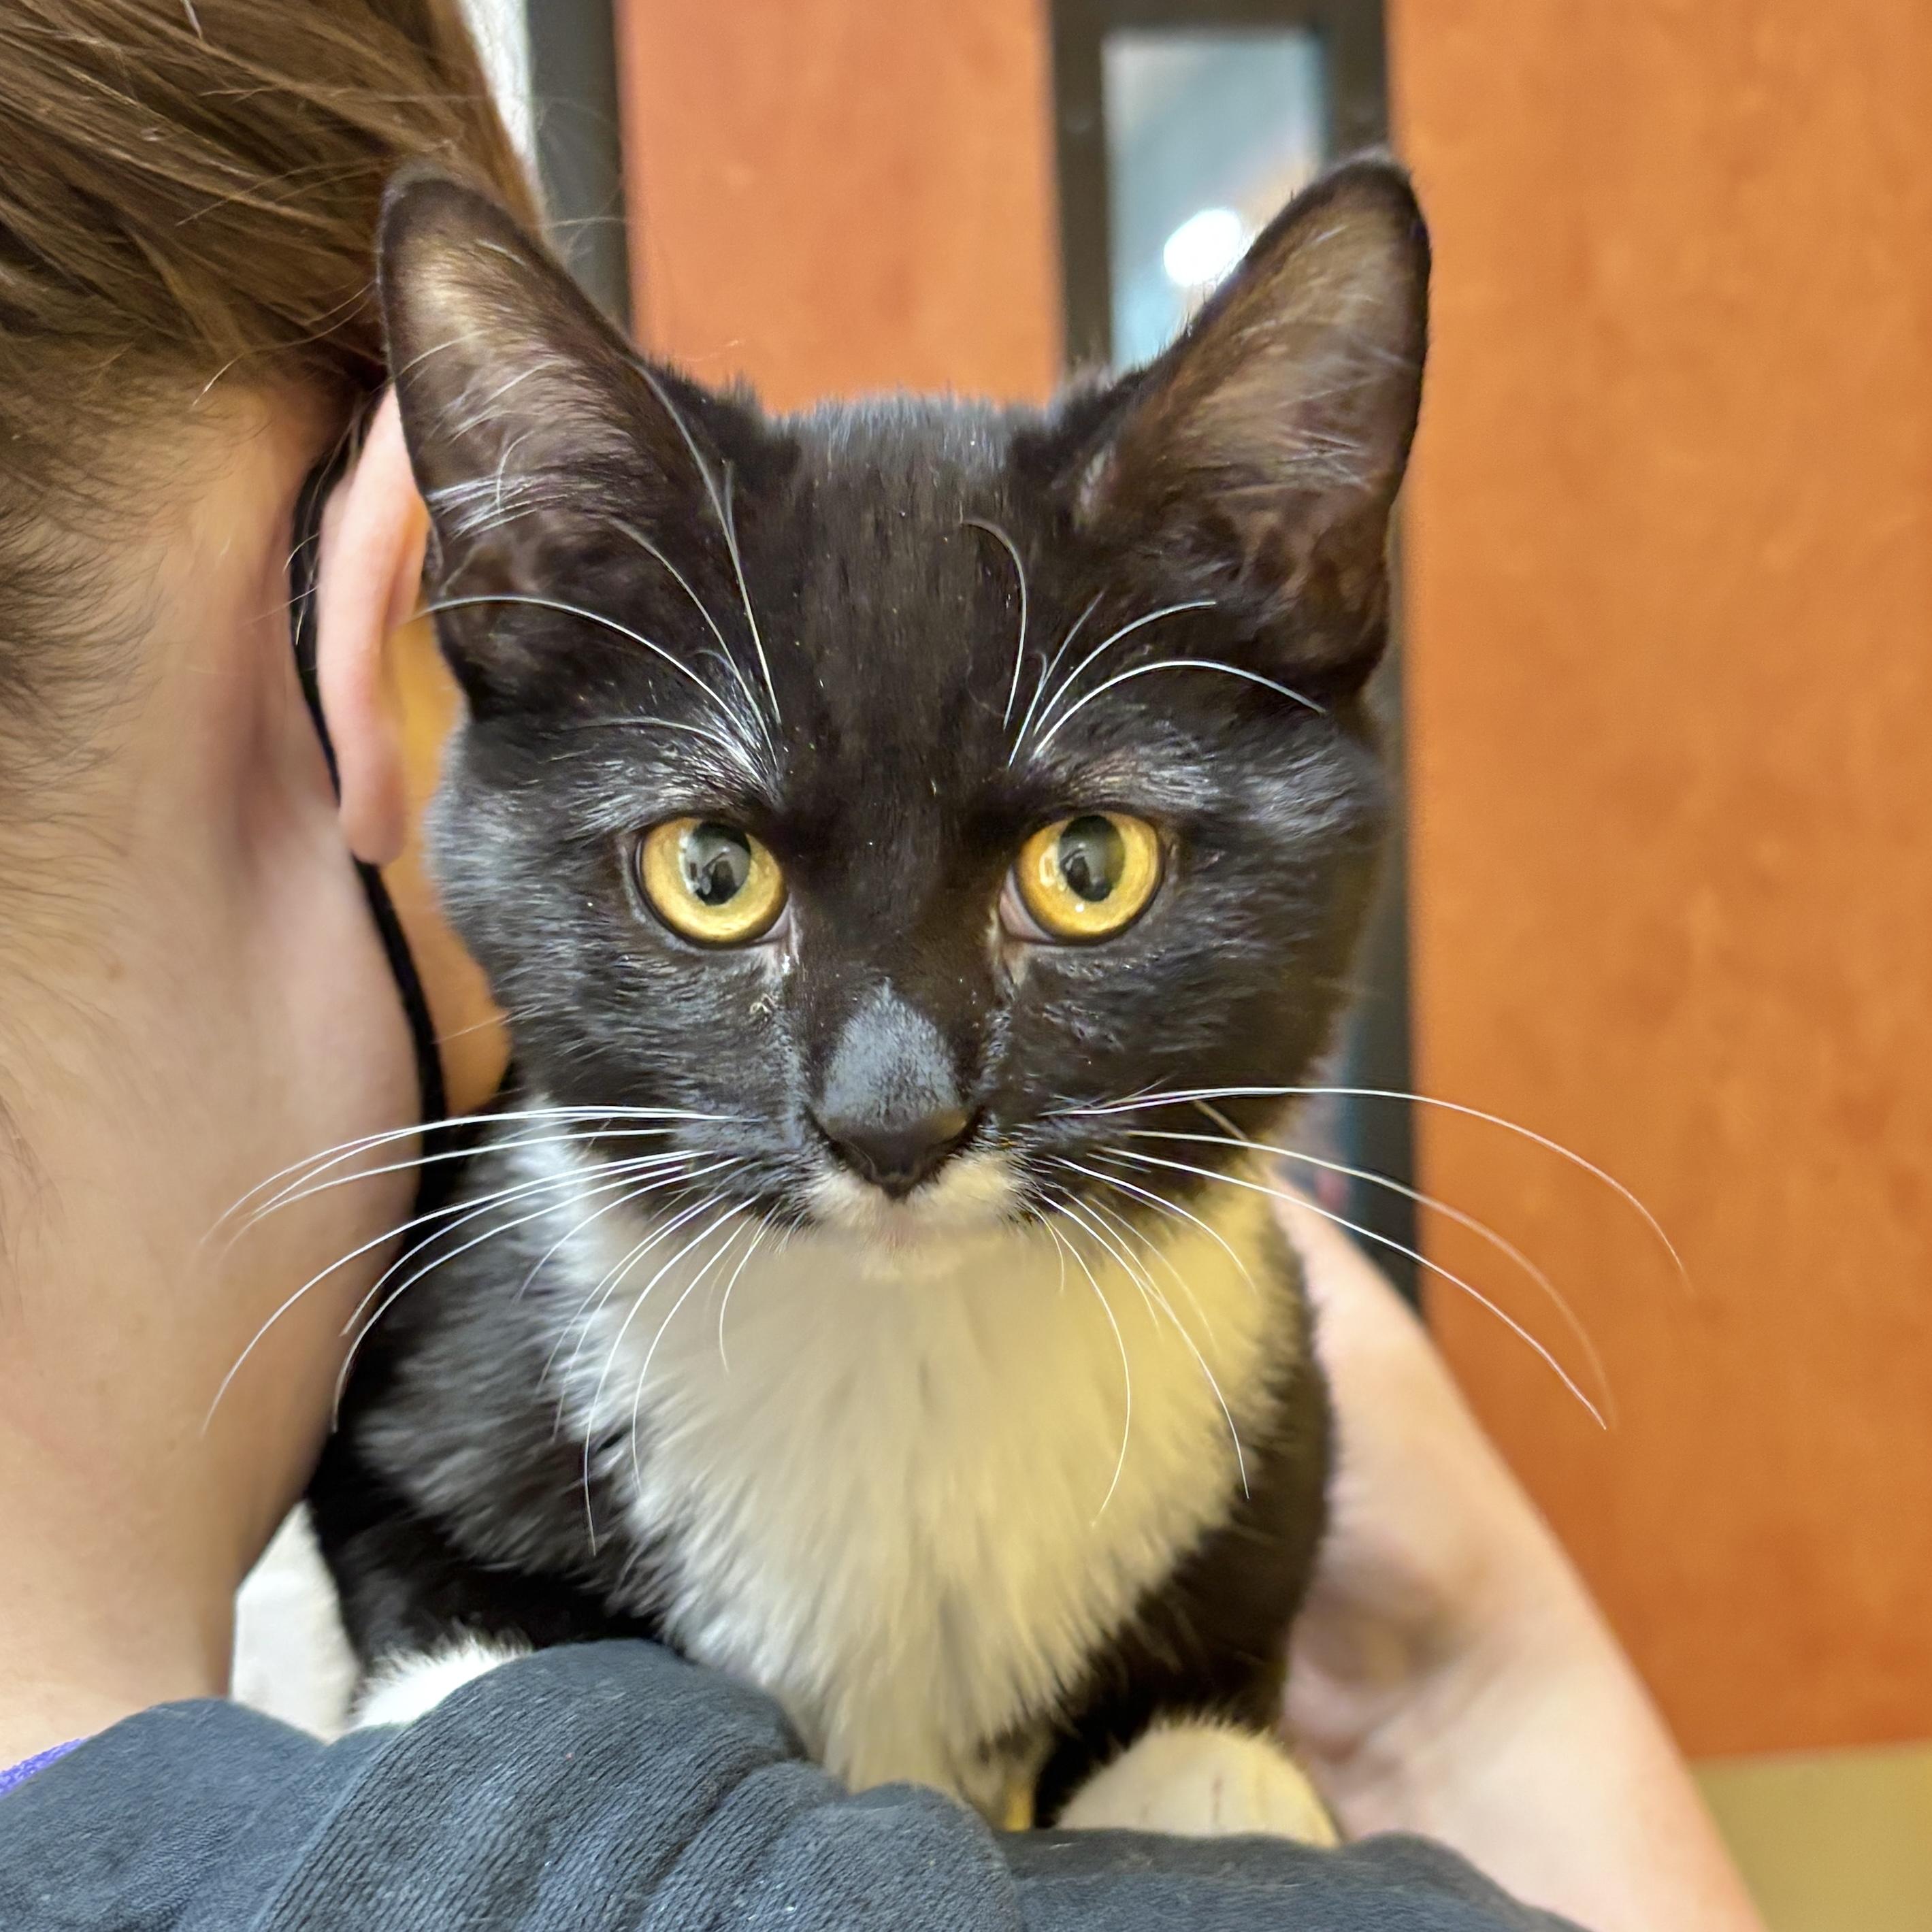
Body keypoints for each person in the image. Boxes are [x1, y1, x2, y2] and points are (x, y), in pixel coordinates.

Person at [0, 4, 1765, 1927]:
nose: (893, 1105)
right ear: (393, 616)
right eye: (716, 873)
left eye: (1080, 872)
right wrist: (1481, 1685)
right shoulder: (453, 1392)